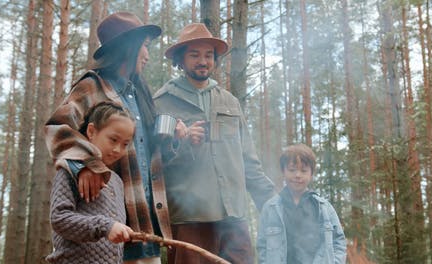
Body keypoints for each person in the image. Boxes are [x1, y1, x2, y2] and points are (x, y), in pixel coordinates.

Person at [45, 12, 185, 264]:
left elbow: (151, 157)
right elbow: (58, 127)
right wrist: (84, 164)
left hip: (144, 220)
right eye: (144, 46)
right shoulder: (92, 86)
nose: (147, 55)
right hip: (105, 229)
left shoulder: (139, 94)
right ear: (128, 48)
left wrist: (173, 137)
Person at [153, 23, 276, 264]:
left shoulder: (229, 102)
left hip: (233, 219)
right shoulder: (162, 103)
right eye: (194, 54)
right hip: (189, 222)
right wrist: (184, 143)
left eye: (209, 55)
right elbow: (155, 164)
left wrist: (275, 206)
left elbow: (249, 163)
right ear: (180, 59)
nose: (203, 61)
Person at [47, 101, 136, 263]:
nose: (118, 150)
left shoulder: (117, 182)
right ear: (91, 131)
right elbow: (58, 218)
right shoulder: (70, 170)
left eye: (125, 144)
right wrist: (105, 226)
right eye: (113, 139)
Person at [257, 144, 347, 264]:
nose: (297, 175)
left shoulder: (324, 208)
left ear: (311, 174)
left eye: (303, 170)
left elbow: (339, 242)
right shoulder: (270, 208)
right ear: (283, 171)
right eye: (292, 170)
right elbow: (262, 247)